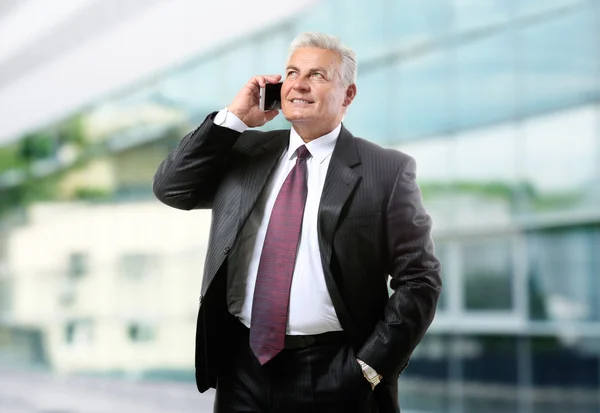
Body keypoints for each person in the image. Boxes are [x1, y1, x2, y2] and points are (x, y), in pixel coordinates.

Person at [153, 32, 441, 413]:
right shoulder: (244, 154)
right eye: (292, 72)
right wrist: (234, 118)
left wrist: (369, 367)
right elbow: (172, 188)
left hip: (335, 371)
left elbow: (419, 279)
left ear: (348, 95)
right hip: (243, 367)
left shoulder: (385, 171)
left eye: (318, 76)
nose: (300, 84)